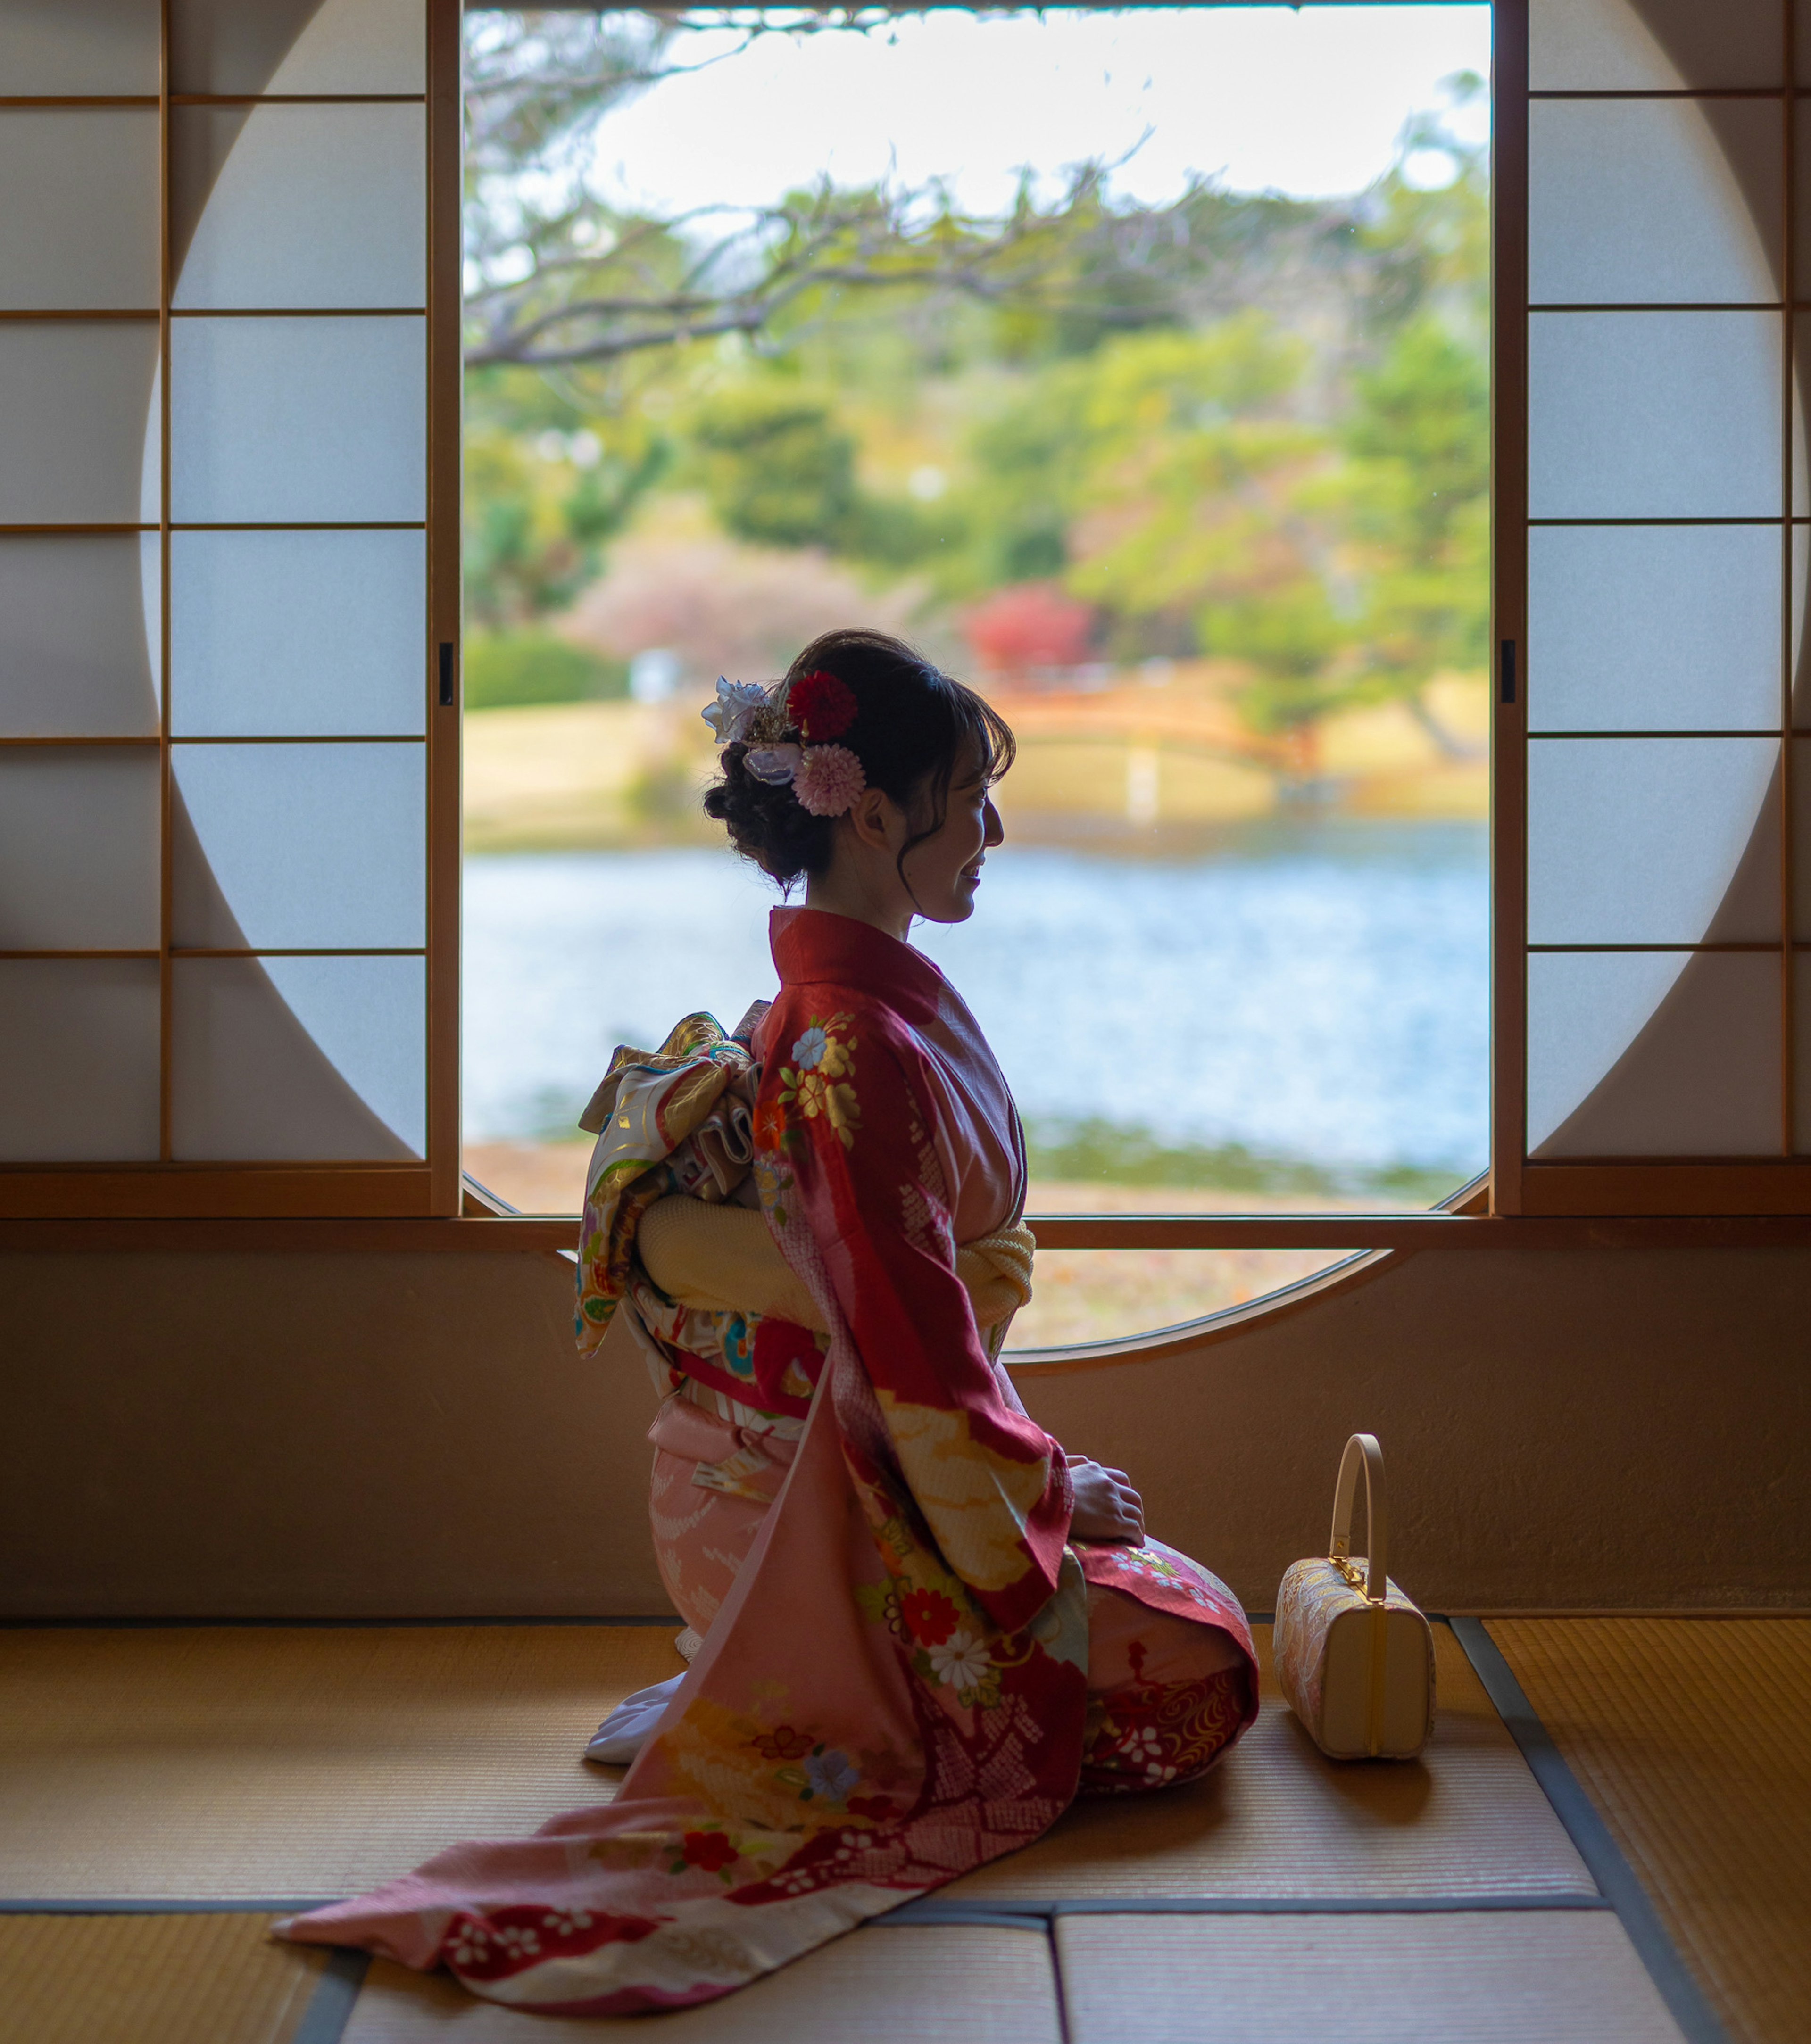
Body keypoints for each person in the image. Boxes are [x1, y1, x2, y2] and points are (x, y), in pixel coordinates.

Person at [277, 630, 1256, 2016]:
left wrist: (1041, 1482)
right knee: (1199, 1672)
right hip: (803, 1490)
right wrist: (1044, 1493)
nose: (992, 831)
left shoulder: (861, 1003)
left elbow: (918, 1333)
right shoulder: (853, 1039)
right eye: (969, 798)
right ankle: (765, 1683)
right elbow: (912, 1354)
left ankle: (743, 1675)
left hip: (823, 1461)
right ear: (866, 814)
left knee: (1192, 1614)